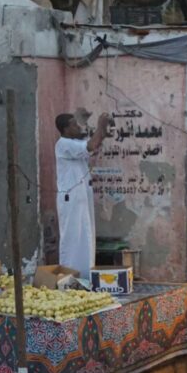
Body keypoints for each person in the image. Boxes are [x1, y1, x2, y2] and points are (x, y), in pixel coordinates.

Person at [55, 111, 110, 277]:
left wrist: (103, 129)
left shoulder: (75, 143)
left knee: (85, 237)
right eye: (74, 125)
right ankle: (69, 276)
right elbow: (91, 146)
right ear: (65, 129)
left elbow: (95, 143)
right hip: (70, 198)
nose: (78, 127)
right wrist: (100, 125)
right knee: (72, 239)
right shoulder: (64, 144)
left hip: (81, 196)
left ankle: (85, 276)